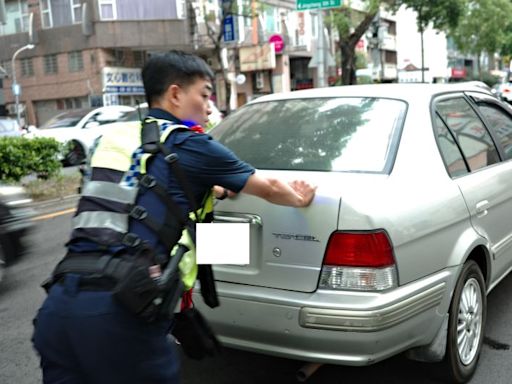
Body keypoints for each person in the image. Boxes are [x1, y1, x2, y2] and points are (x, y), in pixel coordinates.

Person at [32, 50, 316, 384]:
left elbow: (139, 187)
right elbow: (268, 187)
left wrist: (216, 190)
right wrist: (300, 196)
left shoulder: (113, 139)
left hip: (59, 305)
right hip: (118, 313)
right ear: (176, 94)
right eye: (204, 95)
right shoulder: (190, 143)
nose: (209, 107)